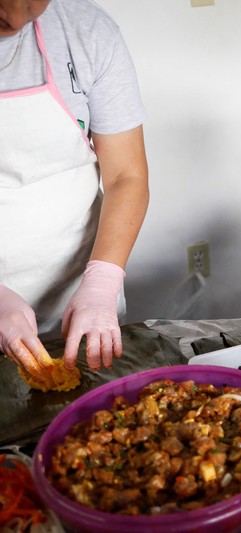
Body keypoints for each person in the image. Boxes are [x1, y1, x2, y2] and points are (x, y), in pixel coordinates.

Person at [0, 0, 148, 377]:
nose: (17, 17)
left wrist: (101, 283)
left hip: (77, 290)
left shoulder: (86, 32)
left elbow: (125, 176)